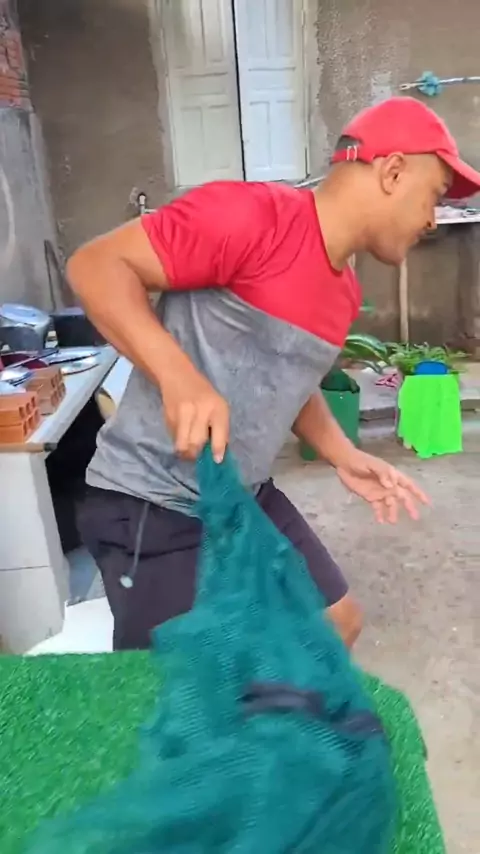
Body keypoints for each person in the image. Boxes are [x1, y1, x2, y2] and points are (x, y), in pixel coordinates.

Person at [69, 96, 480, 652]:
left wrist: (343, 454)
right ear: (392, 172)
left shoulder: (343, 292)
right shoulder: (250, 217)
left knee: (335, 623)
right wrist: (178, 376)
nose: (433, 219)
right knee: (186, 684)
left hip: (244, 496)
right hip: (152, 501)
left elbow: (287, 380)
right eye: (434, 195)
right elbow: (95, 265)